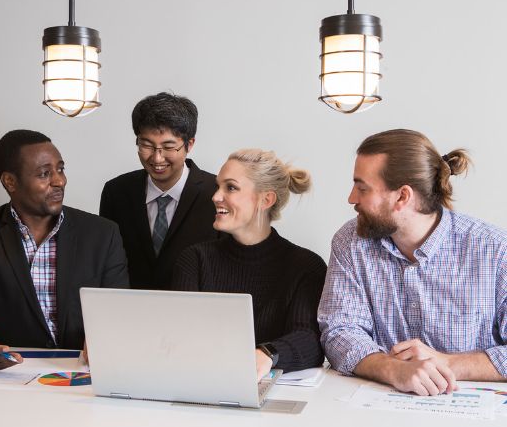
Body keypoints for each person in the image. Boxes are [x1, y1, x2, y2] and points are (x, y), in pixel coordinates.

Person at [318, 128, 507, 396]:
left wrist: (447, 363)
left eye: (362, 188)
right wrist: (394, 370)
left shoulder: (495, 251)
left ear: (402, 197)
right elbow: (339, 331)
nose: (351, 198)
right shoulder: (350, 242)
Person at [0, 130, 129, 371]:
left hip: (86, 375)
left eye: (61, 169)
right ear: (10, 181)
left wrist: (107, 337)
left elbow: (121, 315)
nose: (59, 181)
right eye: (44, 174)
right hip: (8, 379)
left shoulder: (102, 234)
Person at [173, 149, 327, 380]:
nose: (215, 196)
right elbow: (177, 335)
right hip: (199, 385)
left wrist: (266, 354)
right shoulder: (194, 260)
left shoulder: (305, 266)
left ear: (266, 199)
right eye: (218, 186)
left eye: (231, 187)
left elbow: (309, 339)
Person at [100, 92, 218, 290]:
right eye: (146, 145)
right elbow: (107, 262)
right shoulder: (117, 192)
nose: (157, 158)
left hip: (196, 313)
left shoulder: (216, 193)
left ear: (189, 144)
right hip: (130, 312)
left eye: (168, 147)